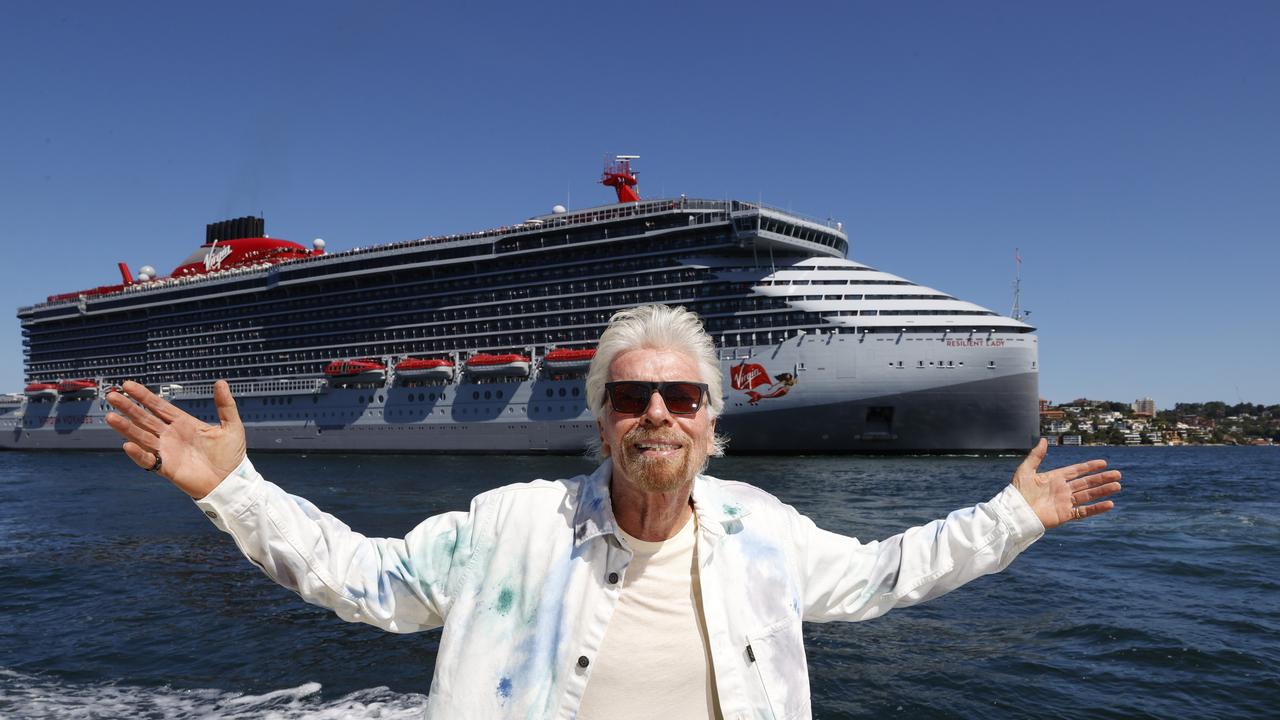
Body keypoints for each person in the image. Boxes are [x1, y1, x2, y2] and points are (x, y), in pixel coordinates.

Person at [104, 304, 1121, 719]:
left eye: (680, 397)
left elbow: (877, 576)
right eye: (631, 397)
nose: (656, 414)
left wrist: (1012, 516)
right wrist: (231, 486)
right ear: (599, 422)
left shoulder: (760, 531)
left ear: (712, 422)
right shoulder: (508, 526)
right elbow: (366, 581)